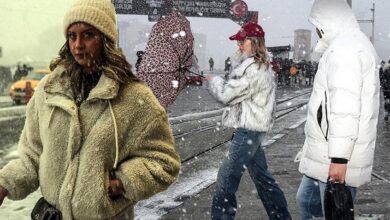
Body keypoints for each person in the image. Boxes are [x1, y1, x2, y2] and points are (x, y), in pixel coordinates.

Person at [0, 0, 180, 219]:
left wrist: (122, 182)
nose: (78, 45)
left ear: (106, 39)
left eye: (88, 35)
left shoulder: (134, 97)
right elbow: (32, 157)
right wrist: (4, 184)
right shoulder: (49, 91)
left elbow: (164, 161)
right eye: (72, 36)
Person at [296, 0, 380, 219]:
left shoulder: (345, 50)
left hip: (336, 155)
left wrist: (340, 159)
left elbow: (346, 107)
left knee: (328, 210)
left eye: (318, 23)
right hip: (327, 150)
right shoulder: (348, 45)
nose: (316, 29)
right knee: (308, 203)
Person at [208, 22, 292, 220]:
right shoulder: (259, 67)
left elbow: (227, 95)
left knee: (225, 180)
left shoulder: (254, 69)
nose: (238, 45)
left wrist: (214, 80)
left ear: (254, 42)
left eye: (242, 40)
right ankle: (281, 217)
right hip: (253, 128)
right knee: (263, 179)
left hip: (249, 130)